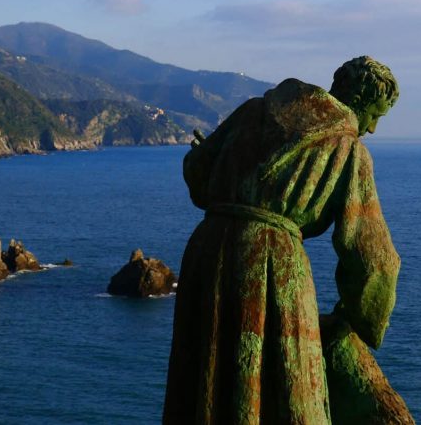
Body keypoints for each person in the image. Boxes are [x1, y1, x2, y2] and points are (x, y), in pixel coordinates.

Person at [163, 56, 407, 424]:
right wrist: (355, 319)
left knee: (203, 381)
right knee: (287, 389)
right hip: (273, 263)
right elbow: (375, 259)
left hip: (206, 253)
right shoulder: (348, 149)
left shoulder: (254, 112)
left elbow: (198, 176)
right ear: (359, 103)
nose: (371, 128)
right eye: (375, 114)